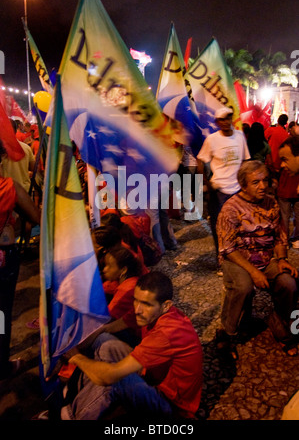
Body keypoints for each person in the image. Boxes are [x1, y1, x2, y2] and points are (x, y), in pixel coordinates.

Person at [60, 271, 203, 420]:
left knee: (115, 380)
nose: (137, 310)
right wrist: (72, 348)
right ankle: (75, 393)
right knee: (104, 341)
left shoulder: (168, 332)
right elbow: (106, 328)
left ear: (166, 306)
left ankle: (68, 416)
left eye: (146, 304)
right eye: (136, 300)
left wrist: (76, 357)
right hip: (151, 377)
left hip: (171, 406)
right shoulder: (150, 313)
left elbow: (110, 376)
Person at [216, 160, 299, 359]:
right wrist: (253, 272)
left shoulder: (272, 203)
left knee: (289, 283)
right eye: (255, 182)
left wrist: (281, 258)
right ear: (243, 185)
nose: (263, 186)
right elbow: (227, 248)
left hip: (266, 257)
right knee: (243, 286)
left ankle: (282, 325)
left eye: (265, 181)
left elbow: (279, 235)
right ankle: (226, 332)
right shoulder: (230, 208)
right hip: (237, 259)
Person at [0, 141, 40, 379]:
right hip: (4, 258)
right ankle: (2, 366)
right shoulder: (8, 187)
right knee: (2, 312)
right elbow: (34, 217)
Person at [197, 106, 250, 272]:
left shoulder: (240, 136)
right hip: (219, 191)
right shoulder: (212, 140)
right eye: (222, 119)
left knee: (241, 227)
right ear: (217, 122)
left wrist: (246, 183)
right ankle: (222, 261)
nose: (226, 122)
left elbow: (246, 160)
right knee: (219, 228)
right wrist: (206, 181)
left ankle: (241, 260)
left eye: (229, 118)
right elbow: (200, 159)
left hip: (238, 190)